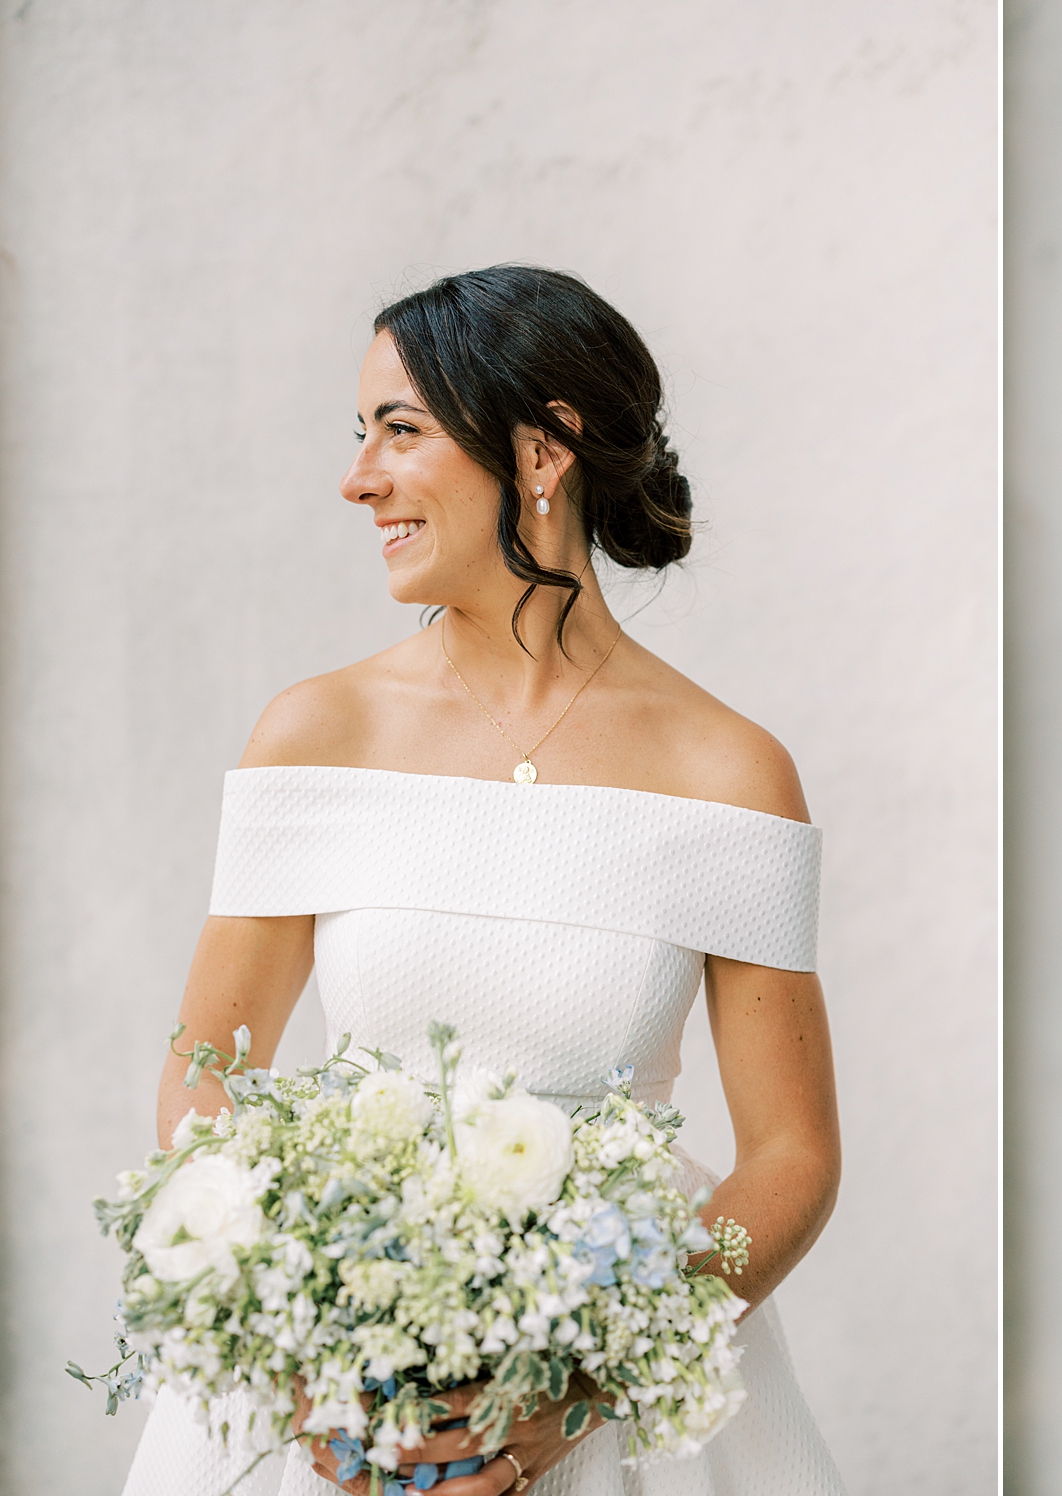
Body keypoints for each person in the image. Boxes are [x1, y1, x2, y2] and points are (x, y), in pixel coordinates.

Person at [122, 266, 847, 1496]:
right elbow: (206, 1080)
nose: (358, 478)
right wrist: (316, 1359)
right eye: (360, 436)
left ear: (541, 449)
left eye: (398, 430)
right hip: (333, 1401)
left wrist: (584, 1382)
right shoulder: (313, 732)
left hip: (611, 1402)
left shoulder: (731, 770)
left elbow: (791, 1152)